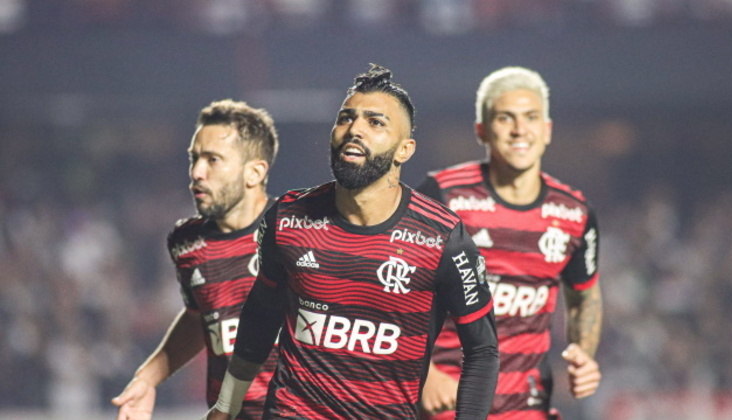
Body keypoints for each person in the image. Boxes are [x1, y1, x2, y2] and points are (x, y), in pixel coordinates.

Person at [203, 64, 499, 420]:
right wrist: (226, 406)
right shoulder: (287, 217)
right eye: (346, 118)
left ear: (405, 150)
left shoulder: (444, 238)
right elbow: (261, 315)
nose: (355, 129)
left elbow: (482, 350)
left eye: (375, 122)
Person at [418, 67, 603, 419]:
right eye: (506, 118)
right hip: (450, 402)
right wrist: (425, 373)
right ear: (482, 131)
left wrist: (584, 353)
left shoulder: (575, 213)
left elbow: (585, 295)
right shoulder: (443, 194)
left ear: (547, 130)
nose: (520, 130)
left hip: (527, 406)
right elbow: (394, 288)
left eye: (531, 117)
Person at [111, 99, 280, 420]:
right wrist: (147, 378)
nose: (197, 172)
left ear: (255, 172)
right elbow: (199, 316)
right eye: (194, 158)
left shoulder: (301, 232)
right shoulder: (188, 242)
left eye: (213, 160)